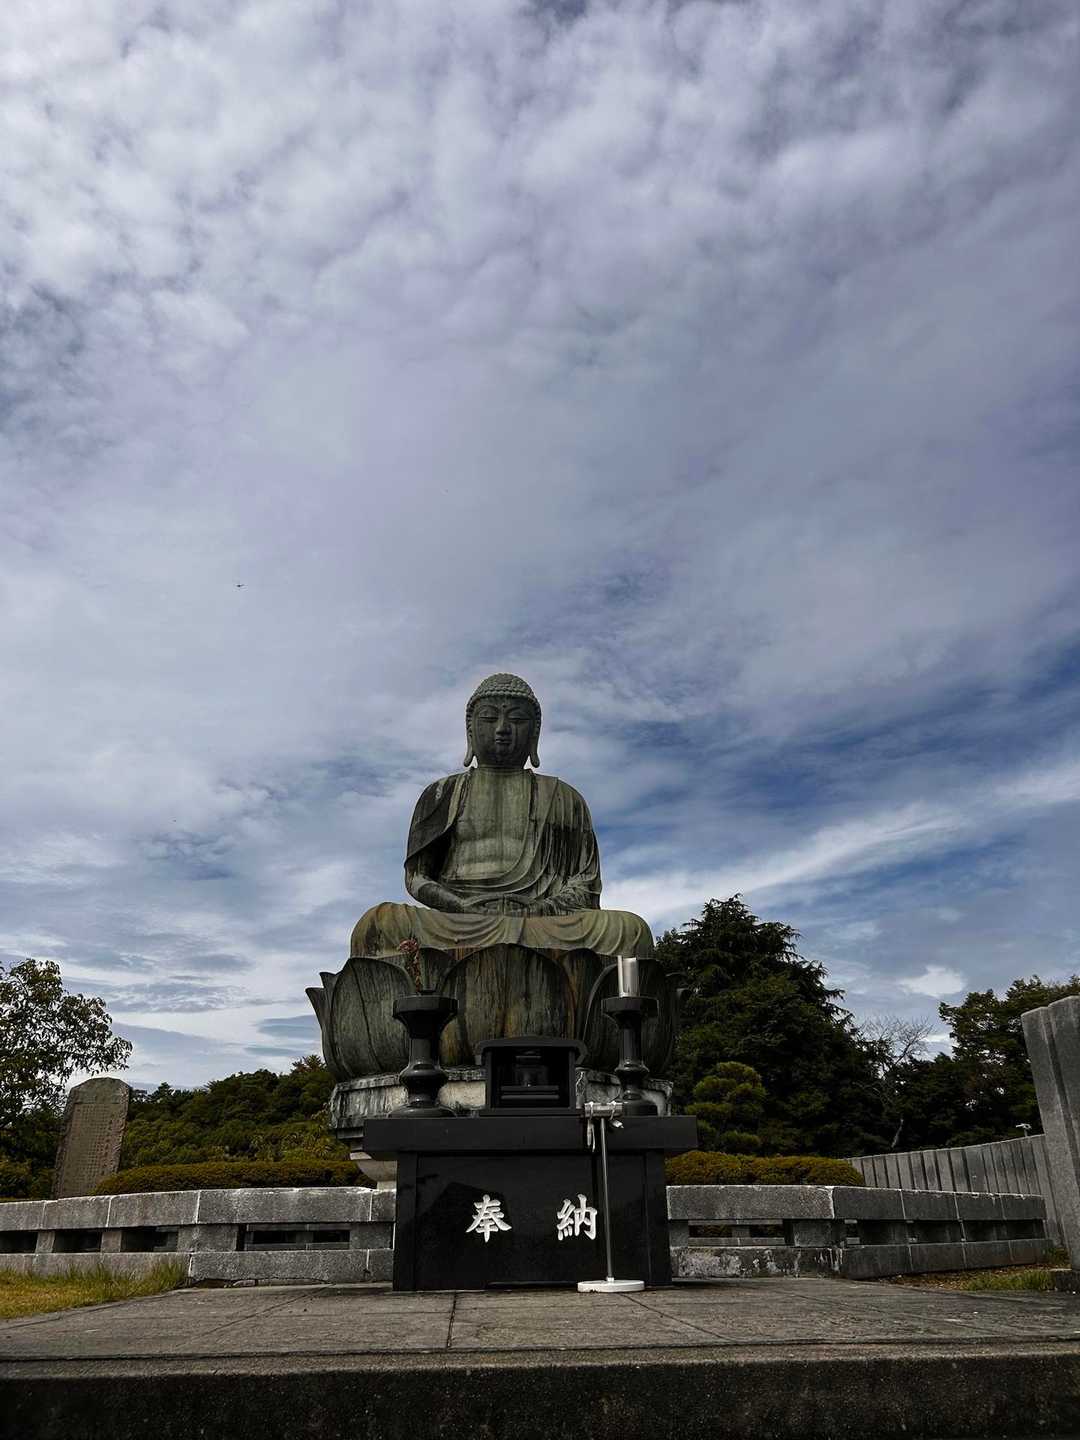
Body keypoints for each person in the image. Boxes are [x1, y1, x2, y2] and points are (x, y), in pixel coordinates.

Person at [350, 673, 653, 959]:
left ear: (534, 733)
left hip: (542, 922)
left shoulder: (564, 797)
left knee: (630, 930)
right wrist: (462, 906)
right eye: (489, 718)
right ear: (470, 730)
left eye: (517, 720)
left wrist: (540, 910)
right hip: (461, 922)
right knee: (379, 923)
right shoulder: (443, 793)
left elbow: (585, 882)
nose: (503, 729)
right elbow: (417, 877)